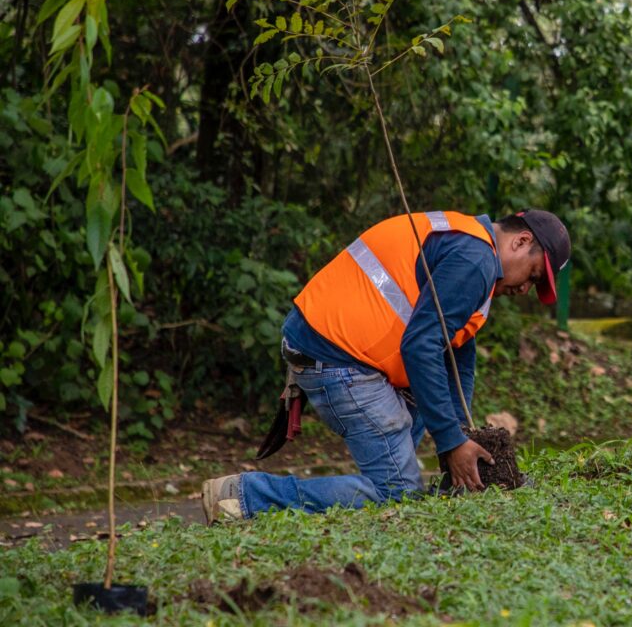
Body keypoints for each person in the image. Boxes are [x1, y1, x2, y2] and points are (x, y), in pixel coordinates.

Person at [201, 209, 571, 522]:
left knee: (416, 426)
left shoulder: (472, 247)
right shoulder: (475, 259)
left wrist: (462, 435)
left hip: (341, 350)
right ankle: (246, 495)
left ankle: (388, 478)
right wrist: (451, 442)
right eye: (534, 275)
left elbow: (456, 356)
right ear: (521, 242)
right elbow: (421, 348)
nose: (525, 290)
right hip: (337, 357)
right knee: (398, 493)